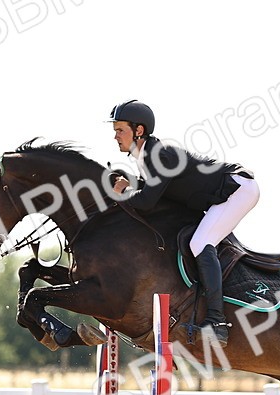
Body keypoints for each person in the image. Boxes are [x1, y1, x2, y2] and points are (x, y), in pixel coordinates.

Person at [107, 99, 259, 346]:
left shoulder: (160, 154)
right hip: (225, 193)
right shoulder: (146, 157)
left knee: (200, 243)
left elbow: (146, 201)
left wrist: (124, 191)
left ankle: (217, 322)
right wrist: (130, 184)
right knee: (199, 241)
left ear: (139, 130)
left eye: (120, 130)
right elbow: (153, 191)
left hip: (237, 189)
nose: (115, 137)